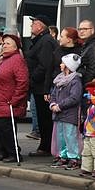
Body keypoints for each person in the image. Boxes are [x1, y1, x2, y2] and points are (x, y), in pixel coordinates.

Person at [0, 32, 30, 163]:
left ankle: (13, 152)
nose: (4, 45)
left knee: (6, 129)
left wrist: (15, 100)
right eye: (3, 43)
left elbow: (22, 82)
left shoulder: (17, 60)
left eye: (7, 43)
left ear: (15, 46)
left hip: (7, 102)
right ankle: (3, 151)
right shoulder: (4, 59)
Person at [25, 15, 59, 157]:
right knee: (42, 117)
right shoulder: (42, 40)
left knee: (45, 118)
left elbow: (44, 65)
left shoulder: (45, 41)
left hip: (42, 86)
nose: (31, 25)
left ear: (40, 26)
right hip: (39, 85)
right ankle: (45, 145)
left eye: (34, 23)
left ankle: (46, 147)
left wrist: (32, 78)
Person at [49, 53, 84, 170]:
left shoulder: (75, 81)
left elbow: (74, 98)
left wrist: (60, 106)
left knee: (70, 136)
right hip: (59, 114)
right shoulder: (59, 80)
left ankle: (73, 157)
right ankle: (62, 156)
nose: (61, 65)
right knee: (60, 136)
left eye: (63, 63)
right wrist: (52, 103)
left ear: (68, 66)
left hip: (69, 114)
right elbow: (53, 94)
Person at [77, 19, 95, 86]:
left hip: (91, 85)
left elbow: (94, 68)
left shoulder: (93, 45)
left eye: (85, 29)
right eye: (80, 29)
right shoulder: (87, 44)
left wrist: (86, 84)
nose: (81, 31)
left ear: (92, 30)